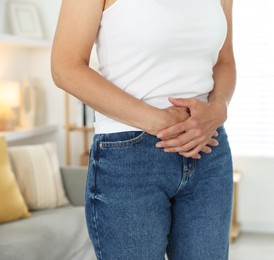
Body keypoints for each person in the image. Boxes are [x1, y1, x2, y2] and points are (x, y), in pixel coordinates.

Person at [51, 0, 236, 259]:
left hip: (208, 150)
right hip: (129, 158)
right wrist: (156, 119)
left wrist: (219, 108)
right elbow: (65, 67)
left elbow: (224, 60)